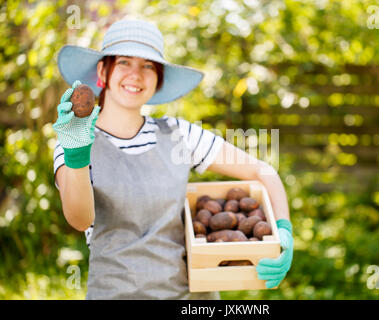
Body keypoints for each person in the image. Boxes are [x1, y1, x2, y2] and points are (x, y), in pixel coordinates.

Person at [52, 19, 293, 300]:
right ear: (102, 72)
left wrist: (284, 233)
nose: (136, 74)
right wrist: (77, 153)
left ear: (158, 79)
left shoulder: (181, 134)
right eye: (124, 62)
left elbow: (263, 172)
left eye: (148, 66)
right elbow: (80, 219)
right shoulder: (73, 140)